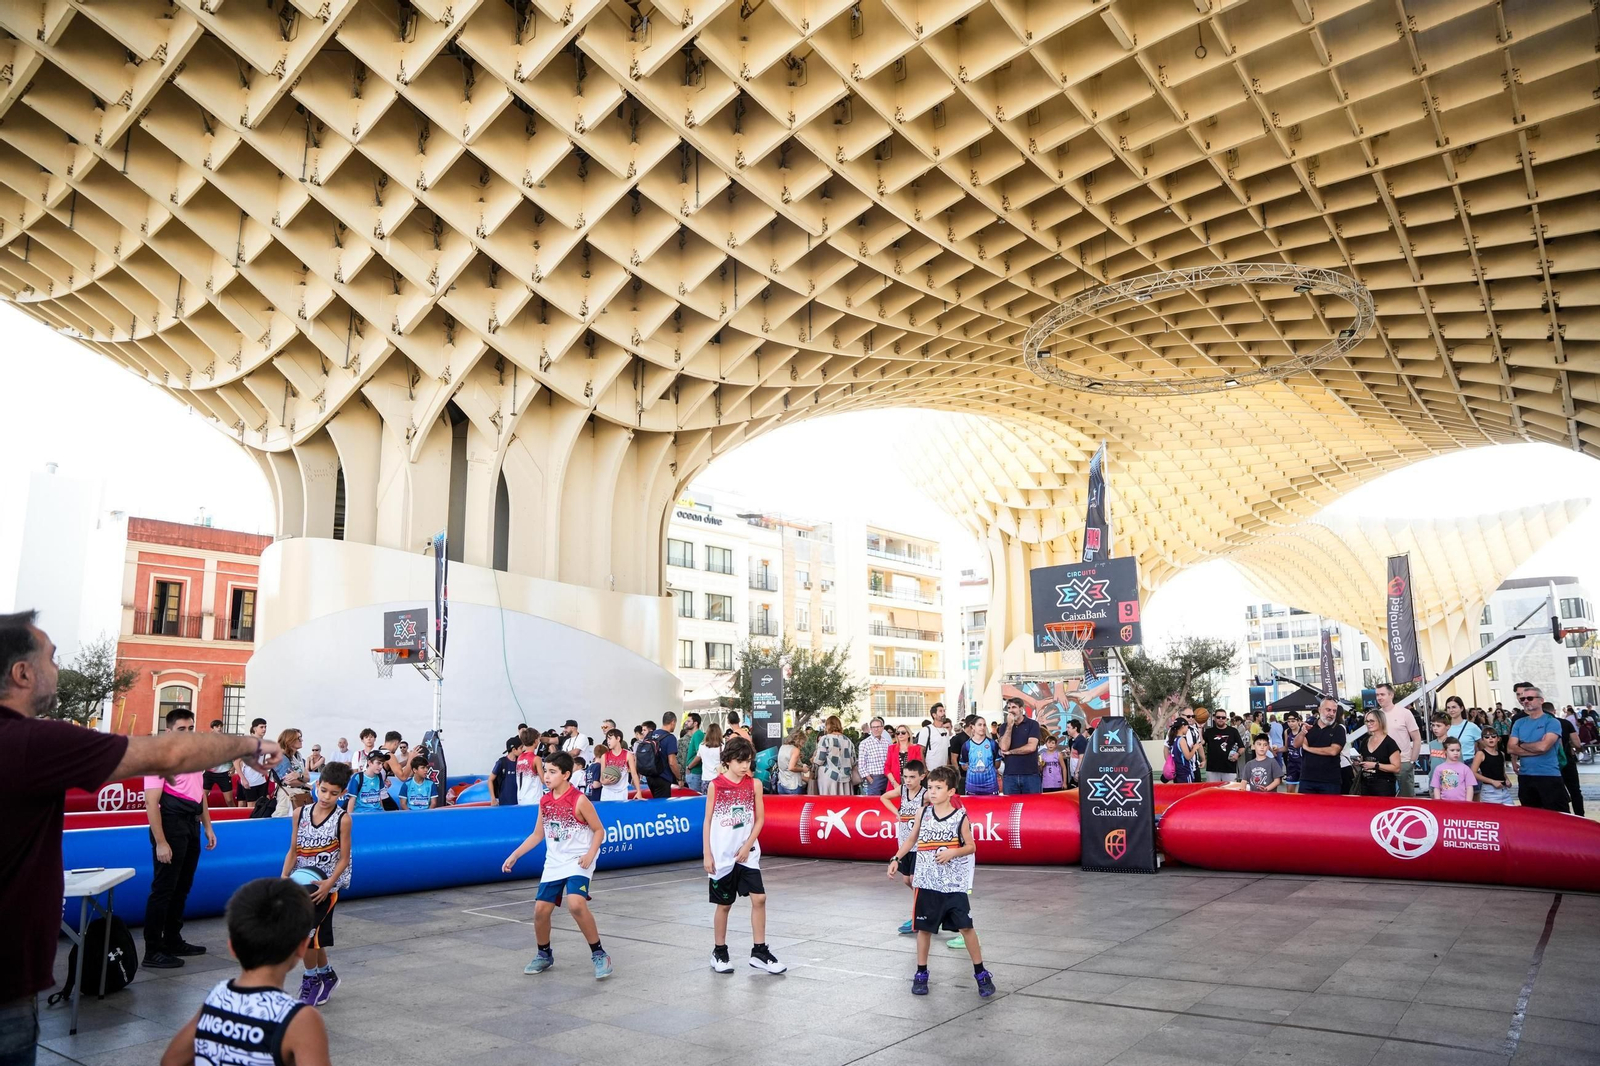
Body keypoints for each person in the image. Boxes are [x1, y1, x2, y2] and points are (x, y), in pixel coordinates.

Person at [156, 878, 332, 1066]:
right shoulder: (300, 1020)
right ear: (302, 947)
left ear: (232, 947)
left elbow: (171, 1061)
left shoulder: (218, 998)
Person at [886, 765, 995, 998]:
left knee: (966, 927)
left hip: (952, 885)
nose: (932, 792)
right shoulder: (922, 813)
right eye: (931, 787)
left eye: (938, 788)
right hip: (926, 883)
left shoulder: (959, 817)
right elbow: (911, 838)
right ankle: (921, 973)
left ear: (951, 791)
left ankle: (981, 973)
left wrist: (952, 853)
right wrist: (896, 858)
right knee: (924, 929)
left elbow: (971, 846)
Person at [502, 751, 612, 979]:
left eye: (552, 772)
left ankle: (599, 954)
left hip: (578, 859)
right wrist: (515, 855)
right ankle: (544, 954)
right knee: (541, 910)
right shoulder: (544, 801)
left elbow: (599, 830)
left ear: (566, 774)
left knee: (576, 904)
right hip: (554, 862)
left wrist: (591, 854)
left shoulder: (579, 800)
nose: (547, 776)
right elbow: (537, 834)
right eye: (546, 771)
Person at [142, 708, 221, 969]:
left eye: (190, 728)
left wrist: (208, 826)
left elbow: (201, 795)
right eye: (181, 730)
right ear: (168, 730)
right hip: (170, 825)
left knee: (182, 886)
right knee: (163, 889)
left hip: (191, 824)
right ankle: (153, 950)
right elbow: (151, 804)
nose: (187, 734)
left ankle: (173, 939)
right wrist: (161, 841)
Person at [702, 736, 785, 975]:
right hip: (722, 856)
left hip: (748, 854)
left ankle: (759, 951)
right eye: (740, 761)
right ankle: (719, 952)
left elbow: (760, 819)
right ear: (727, 760)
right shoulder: (715, 785)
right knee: (724, 904)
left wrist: (748, 846)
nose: (745, 766)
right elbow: (707, 821)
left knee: (759, 898)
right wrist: (707, 854)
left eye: (748, 761)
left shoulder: (755, 785)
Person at [280, 760, 353, 1004]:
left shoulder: (342, 819)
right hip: (301, 882)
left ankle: (310, 979)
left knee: (306, 936)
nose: (326, 797)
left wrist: (329, 882)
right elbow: (293, 850)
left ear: (342, 794)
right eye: (323, 790)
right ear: (317, 785)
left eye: (334, 793)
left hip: (326, 886)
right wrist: (283, 878)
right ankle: (327, 975)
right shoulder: (300, 813)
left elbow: (344, 858)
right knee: (315, 937)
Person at [881, 759, 927, 935]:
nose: (908, 781)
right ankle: (925, 910)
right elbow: (884, 797)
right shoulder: (902, 790)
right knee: (907, 880)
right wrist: (897, 813)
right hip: (904, 844)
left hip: (919, 845)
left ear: (921, 777)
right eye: (905, 777)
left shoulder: (925, 795)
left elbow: (944, 800)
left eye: (912, 777)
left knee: (915, 880)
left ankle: (918, 916)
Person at [1509, 692, 1569, 811]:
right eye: (1522, 698)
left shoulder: (1551, 722)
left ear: (1541, 700)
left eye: (1530, 698)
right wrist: (1536, 749)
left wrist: (1522, 744)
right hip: (1525, 776)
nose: (1525, 701)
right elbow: (1510, 748)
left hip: (1548, 775)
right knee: (1531, 819)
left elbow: (1543, 747)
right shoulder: (1519, 723)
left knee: (1558, 817)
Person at [1375, 683, 1423, 797]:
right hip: (1383, 764)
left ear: (1391, 695)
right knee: (1385, 799)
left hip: (1403, 763)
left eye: (1382, 694)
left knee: (1407, 799)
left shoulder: (1405, 713)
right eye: (1377, 695)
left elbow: (1416, 738)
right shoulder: (1376, 715)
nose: (1379, 697)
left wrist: (1412, 761)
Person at [1295, 698, 1346, 796]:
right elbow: (1296, 744)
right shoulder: (1308, 727)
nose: (1331, 714)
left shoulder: (1339, 729)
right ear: (1319, 710)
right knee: (1306, 810)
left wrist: (1308, 748)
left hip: (1330, 781)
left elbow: (1333, 751)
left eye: (1334, 711)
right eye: (1328, 710)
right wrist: (1302, 733)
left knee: (1329, 811)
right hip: (1307, 779)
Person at [998, 696, 1043, 794]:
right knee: (1011, 807)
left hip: (1030, 774)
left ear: (1021, 709)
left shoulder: (1032, 724)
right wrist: (1010, 725)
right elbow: (1004, 747)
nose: (1011, 711)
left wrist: (1011, 752)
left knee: (1032, 806)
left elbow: (1031, 747)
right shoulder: (1004, 727)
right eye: (1009, 708)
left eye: (1014, 707)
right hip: (1010, 775)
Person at [1354, 709, 1402, 797]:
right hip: (1365, 785)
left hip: (1384, 787)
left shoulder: (1389, 743)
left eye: (1372, 721)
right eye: (1367, 721)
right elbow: (1363, 758)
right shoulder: (1365, 740)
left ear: (1380, 721)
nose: (1368, 724)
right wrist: (1359, 762)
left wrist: (1375, 765)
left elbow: (1396, 768)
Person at [811, 716, 856, 795]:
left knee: (828, 803)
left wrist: (813, 760)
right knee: (843, 803)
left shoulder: (825, 739)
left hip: (829, 776)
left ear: (828, 725)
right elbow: (853, 761)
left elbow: (820, 760)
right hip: (845, 777)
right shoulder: (848, 741)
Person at [271, 728, 311, 817]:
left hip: (298, 794)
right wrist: (304, 782)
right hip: (287, 796)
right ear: (290, 740)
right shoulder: (281, 757)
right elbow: (289, 782)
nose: (302, 740)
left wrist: (298, 775)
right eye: (299, 738)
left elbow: (308, 777)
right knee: (283, 821)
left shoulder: (298, 756)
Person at [959, 717, 1001, 796]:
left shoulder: (992, 744)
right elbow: (963, 765)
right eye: (979, 725)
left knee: (991, 808)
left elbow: (997, 764)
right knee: (972, 808)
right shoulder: (967, 745)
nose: (982, 727)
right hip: (972, 786)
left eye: (984, 725)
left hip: (990, 786)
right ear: (973, 727)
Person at [235, 717, 271, 807]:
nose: (264, 729)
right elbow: (236, 762)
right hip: (250, 780)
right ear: (255, 729)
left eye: (265, 727)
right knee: (251, 806)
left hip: (261, 780)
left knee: (265, 803)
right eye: (261, 727)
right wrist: (243, 779)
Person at [1201, 708, 1244, 784]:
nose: (1221, 719)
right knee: (1212, 792)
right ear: (1214, 718)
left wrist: (1238, 754)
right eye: (1218, 717)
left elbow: (1242, 747)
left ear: (1226, 719)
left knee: (1230, 792)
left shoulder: (1233, 731)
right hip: (1212, 769)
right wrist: (1199, 728)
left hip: (1229, 768)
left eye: (1223, 717)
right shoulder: (1209, 731)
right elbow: (1201, 743)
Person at [644, 713, 682, 797]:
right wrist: (679, 778)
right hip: (663, 777)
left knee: (656, 801)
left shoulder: (650, 735)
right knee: (662, 807)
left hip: (649, 776)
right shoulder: (670, 738)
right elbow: (672, 762)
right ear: (673, 722)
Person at [598, 728, 641, 801]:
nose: (608, 741)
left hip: (621, 792)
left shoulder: (628, 755)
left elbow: (634, 774)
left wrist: (639, 791)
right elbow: (601, 778)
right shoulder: (604, 756)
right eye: (607, 739)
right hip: (607, 791)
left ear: (618, 738)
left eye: (610, 739)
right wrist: (604, 782)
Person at [1472, 730, 1513, 805]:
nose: (1490, 739)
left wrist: (1507, 780)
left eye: (1493, 736)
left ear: (1498, 739)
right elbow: (1473, 772)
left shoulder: (1501, 754)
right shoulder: (1480, 754)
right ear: (1482, 740)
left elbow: (1502, 771)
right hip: (1489, 791)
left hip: (1503, 789)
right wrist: (1492, 781)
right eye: (1487, 737)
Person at [202, 719, 235, 806]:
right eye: (217, 727)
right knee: (202, 797)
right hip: (209, 773)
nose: (219, 728)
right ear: (212, 729)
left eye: (221, 727)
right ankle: (200, 816)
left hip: (224, 773)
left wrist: (234, 767)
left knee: (229, 800)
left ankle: (234, 816)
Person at [857, 717, 892, 796]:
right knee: (875, 803)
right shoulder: (865, 743)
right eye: (874, 727)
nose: (876, 729)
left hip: (887, 777)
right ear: (870, 729)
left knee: (887, 801)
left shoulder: (887, 743)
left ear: (882, 728)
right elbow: (861, 764)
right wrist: (870, 779)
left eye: (878, 727)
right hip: (874, 778)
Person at [885, 725, 925, 792]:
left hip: (912, 783)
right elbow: (887, 768)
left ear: (908, 734)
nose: (900, 734)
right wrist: (894, 783)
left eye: (903, 732)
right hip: (894, 783)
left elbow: (918, 767)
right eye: (898, 733)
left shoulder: (916, 748)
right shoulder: (891, 748)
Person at [917, 705, 954, 770]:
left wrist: (947, 767)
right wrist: (925, 769)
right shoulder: (926, 730)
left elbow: (946, 751)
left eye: (944, 711)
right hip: (931, 769)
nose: (943, 713)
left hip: (944, 770)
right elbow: (920, 751)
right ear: (934, 715)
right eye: (940, 711)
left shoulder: (946, 731)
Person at [515, 726, 544, 807]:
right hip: (534, 799)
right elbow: (543, 779)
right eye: (538, 739)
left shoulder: (520, 757)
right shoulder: (536, 759)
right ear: (535, 741)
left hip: (521, 797)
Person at [1166, 716, 1197, 784]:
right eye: (1187, 727)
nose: (1187, 729)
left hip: (1177, 772)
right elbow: (1188, 757)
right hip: (1185, 772)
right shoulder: (1181, 740)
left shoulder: (1173, 739)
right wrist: (1194, 748)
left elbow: (1180, 753)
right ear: (1183, 726)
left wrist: (1191, 749)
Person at [1279, 711, 1304, 793]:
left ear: (1298, 721)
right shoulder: (1287, 731)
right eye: (1289, 722)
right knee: (1289, 791)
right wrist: (1276, 750)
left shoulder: (1303, 731)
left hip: (1303, 763)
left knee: (1304, 790)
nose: (1291, 724)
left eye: (1293, 721)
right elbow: (1286, 747)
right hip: (1291, 764)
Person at [776, 729, 807, 795]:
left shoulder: (782, 747)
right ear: (798, 739)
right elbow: (791, 767)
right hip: (793, 785)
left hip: (781, 783)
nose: (803, 745)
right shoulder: (796, 750)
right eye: (802, 742)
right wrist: (803, 769)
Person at [682, 712, 706, 793]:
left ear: (695, 723)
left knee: (695, 798)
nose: (686, 723)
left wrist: (689, 767)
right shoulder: (695, 735)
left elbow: (699, 754)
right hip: (693, 773)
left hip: (695, 773)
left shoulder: (698, 735)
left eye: (689, 721)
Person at [1065, 719, 1088, 787]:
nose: (1067, 729)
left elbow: (1082, 757)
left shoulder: (1080, 740)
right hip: (1075, 773)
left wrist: (1077, 772)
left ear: (1075, 728)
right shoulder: (1076, 740)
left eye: (1068, 727)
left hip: (1079, 774)